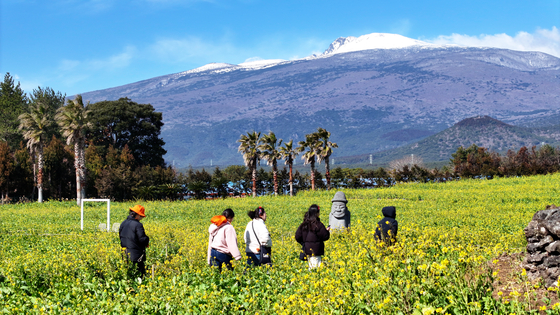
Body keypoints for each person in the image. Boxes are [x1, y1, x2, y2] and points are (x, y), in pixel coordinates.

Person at [295, 204, 330, 269]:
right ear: (316, 213)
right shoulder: (318, 225)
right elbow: (325, 236)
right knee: (316, 268)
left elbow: (297, 236)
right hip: (316, 251)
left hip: (307, 250)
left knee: (311, 266)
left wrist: (304, 243)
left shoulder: (304, 224)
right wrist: (327, 231)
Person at [119, 204, 150, 278]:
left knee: (128, 275)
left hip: (124, 254)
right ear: (138, 215)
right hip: (136, 256)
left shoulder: (123, 223)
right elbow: (142, 239)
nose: (141, 218)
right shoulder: (138, 225)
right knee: (138, 275)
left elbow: (121, 236)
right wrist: (147, 239)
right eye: (141, 217)